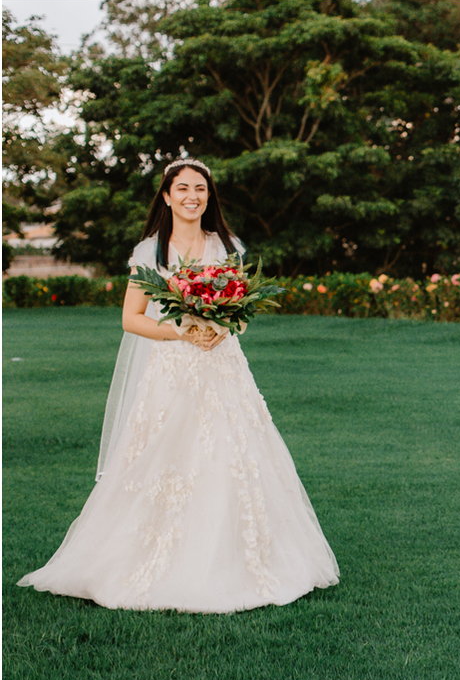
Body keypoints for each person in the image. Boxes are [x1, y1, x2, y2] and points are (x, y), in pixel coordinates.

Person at [18, 159, 339, 613]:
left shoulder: (226, 245)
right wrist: (181, 332)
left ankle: (238, 560)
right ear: (166, 197)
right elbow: (130, 319)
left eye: (201, 189)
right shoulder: (151, 252)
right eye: (183, 188)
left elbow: (240, 310)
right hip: (171, 370)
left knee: (233, 455)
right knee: (165, 456)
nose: (193, 196)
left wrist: (223, 328)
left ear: (209, 197)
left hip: (223, 367)